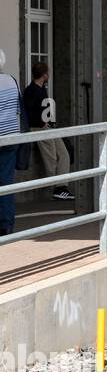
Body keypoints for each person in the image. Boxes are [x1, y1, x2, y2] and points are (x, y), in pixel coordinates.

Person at [22, 61, 73, 200]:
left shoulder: (42, 88)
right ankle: (57, 187)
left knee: (64, 153)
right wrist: (41, 123)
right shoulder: (31, 90)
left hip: (47, 127)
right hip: (38, 129)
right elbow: (27, 113)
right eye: (47, 73)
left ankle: (62, 186)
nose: (48, 75)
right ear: (44, 74)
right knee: (51, 158)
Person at [0, 50, 24, 236]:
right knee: (6, 181)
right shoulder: (12, 80)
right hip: (12, 137)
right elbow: (18, 109)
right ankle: (7, 224)